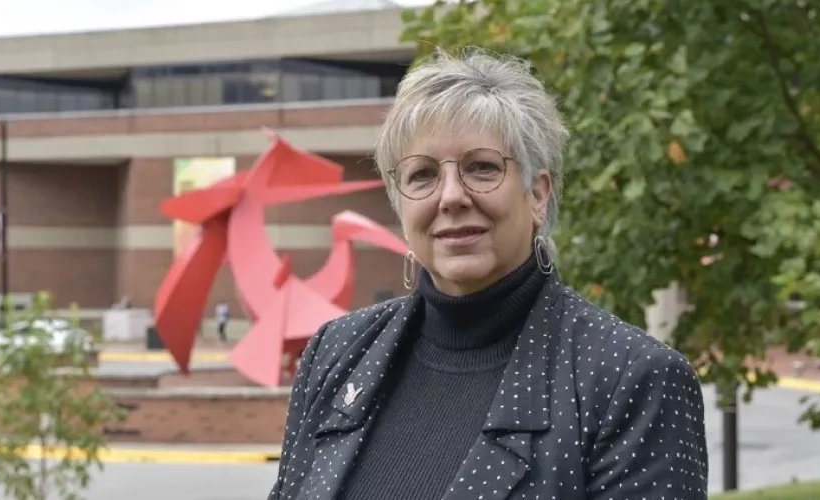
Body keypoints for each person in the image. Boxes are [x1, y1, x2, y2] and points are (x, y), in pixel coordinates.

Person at [268, 49, 708, 500]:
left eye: (482, 167)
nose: (451, 196)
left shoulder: (630, 380)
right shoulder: (337, 355)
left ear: (537, 195)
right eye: (422, 175)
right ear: (401, 206)